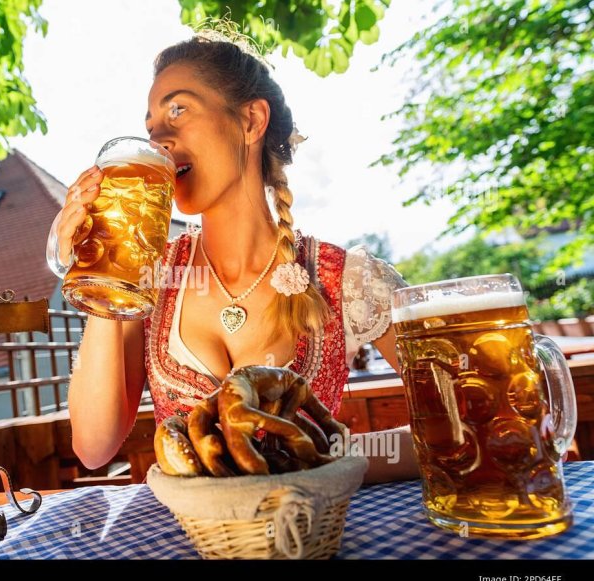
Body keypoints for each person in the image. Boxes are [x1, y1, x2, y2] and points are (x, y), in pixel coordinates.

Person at [51, 29, 419, 484]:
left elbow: (462, 413)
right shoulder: (150, 275)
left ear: (251, 121)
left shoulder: (345, 278)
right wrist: (107, 266)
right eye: (151, 128)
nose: (158, 139)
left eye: (178, 110)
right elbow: (93, 446)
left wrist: (325, 458)